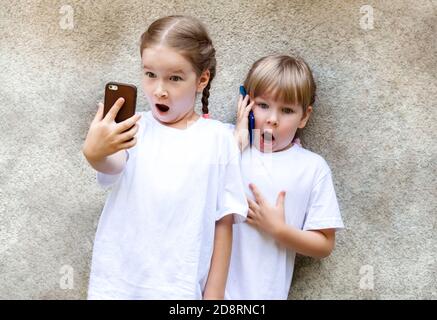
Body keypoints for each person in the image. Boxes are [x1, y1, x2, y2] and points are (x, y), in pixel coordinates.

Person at [82, 15, 247, 300]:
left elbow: (224, 220)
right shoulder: (133, 128)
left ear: (202, 79)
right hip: (118, 285)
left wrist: (214, 295)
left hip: (178, 289)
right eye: (150, 74)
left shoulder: (219, 139)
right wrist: (95, 152)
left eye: (174, 78)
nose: (159, 89)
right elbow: (111, 164)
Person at [226, 54, 344, 299]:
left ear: (304, 116)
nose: (272, 119)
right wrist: (236, 142)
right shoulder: (224, 143)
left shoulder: (312, 168)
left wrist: (279, 230)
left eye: (287, 110)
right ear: (245, 103)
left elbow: (324, 245)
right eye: (263, 105)